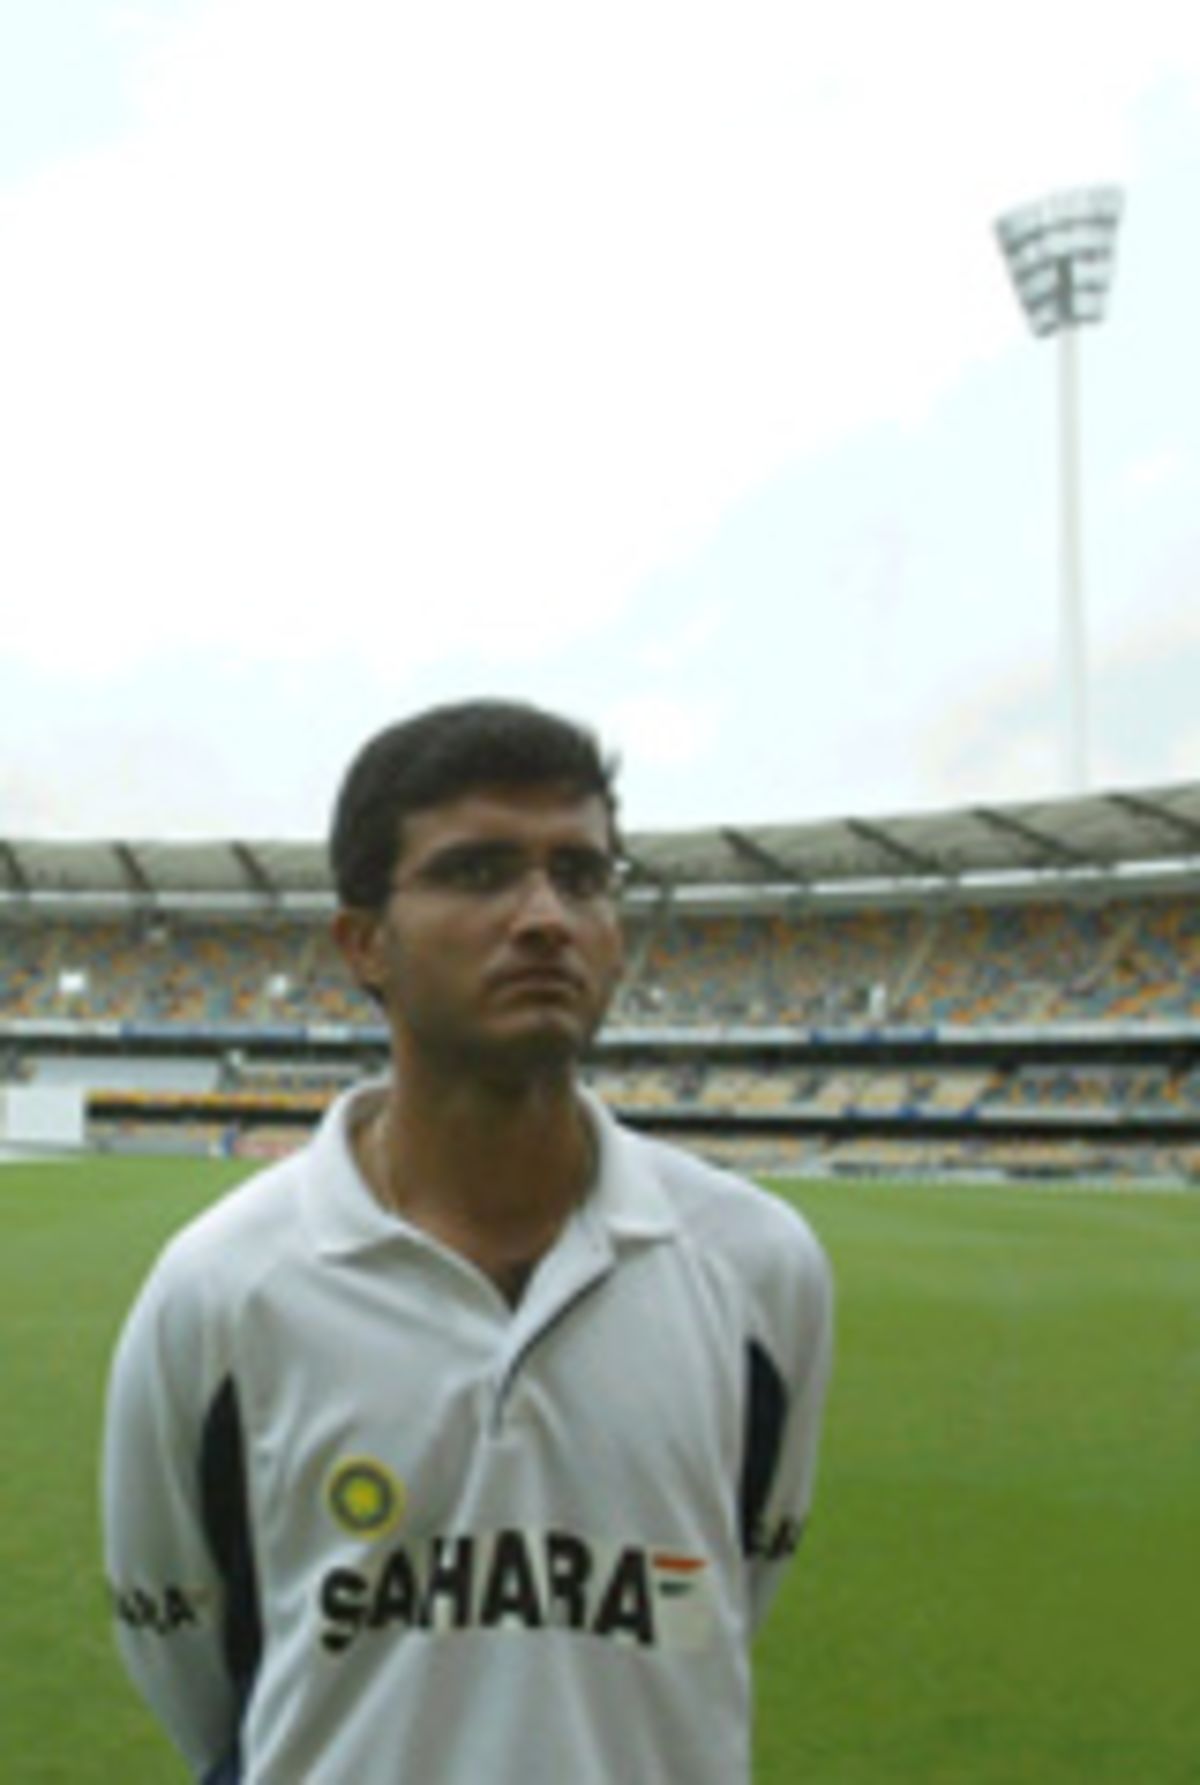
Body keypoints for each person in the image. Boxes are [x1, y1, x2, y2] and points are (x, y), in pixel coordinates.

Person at [102, 698, 834, 1785]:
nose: (546, 916)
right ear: (364, 944)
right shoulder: (222, 1290)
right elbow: (190, 1653)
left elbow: (732, 1587)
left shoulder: (760, 1267)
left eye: (581, 877)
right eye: (480, 872)